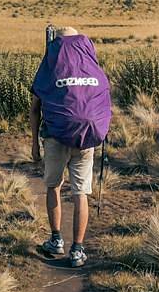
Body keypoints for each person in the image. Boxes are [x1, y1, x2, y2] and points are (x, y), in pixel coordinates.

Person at [29, 26, 112, 268]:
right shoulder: (92, 68)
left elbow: (35, 108)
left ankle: (56, 240)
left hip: (56, 136)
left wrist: (34, 143)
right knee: (80, 193)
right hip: (87, 138)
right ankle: (77, 250)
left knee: (53, 186)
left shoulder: (51, 68)